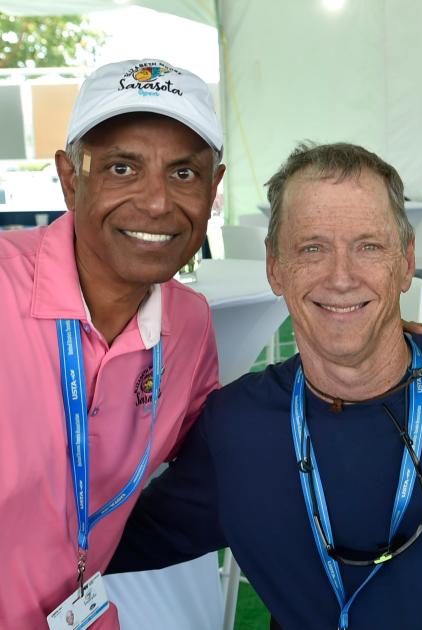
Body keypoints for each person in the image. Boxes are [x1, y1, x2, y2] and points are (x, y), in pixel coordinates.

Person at [107, 142, 422, 630]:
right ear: (275, 268)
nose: (341, 277)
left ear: (405, 261)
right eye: (312, 248)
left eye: (368, 246)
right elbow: (99, 548)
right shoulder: (236, 427)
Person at [0, 59, 224, 629]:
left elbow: (218, 456)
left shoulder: (189, 322)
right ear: (71, 178)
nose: (156, 203)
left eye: (184, 174)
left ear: (214, 188)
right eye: (123, 168)